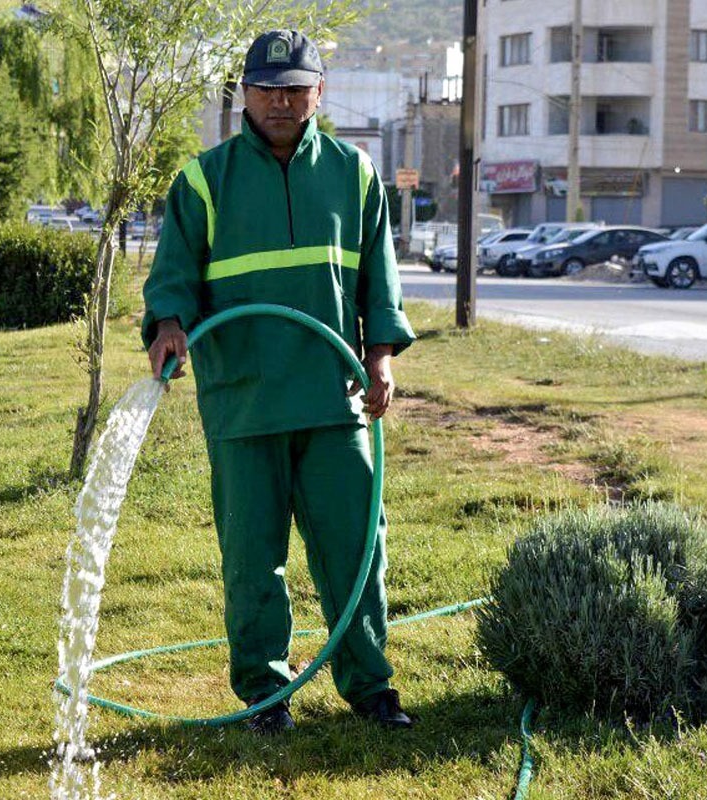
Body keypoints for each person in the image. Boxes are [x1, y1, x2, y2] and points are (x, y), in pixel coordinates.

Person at [141, 29, 416, 735]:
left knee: (356, 548)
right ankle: (266, 694)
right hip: (244, 400)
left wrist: (380, 356)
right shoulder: (204, 180)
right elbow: (171, 278)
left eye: (296, 88)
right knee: (252, 558)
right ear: (245, 96)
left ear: (319, 92)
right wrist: (170, 325)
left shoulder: (354, 175)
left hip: (334, 399)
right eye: (268, 89)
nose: (282, 101)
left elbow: (378, 283)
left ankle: (372, 688)